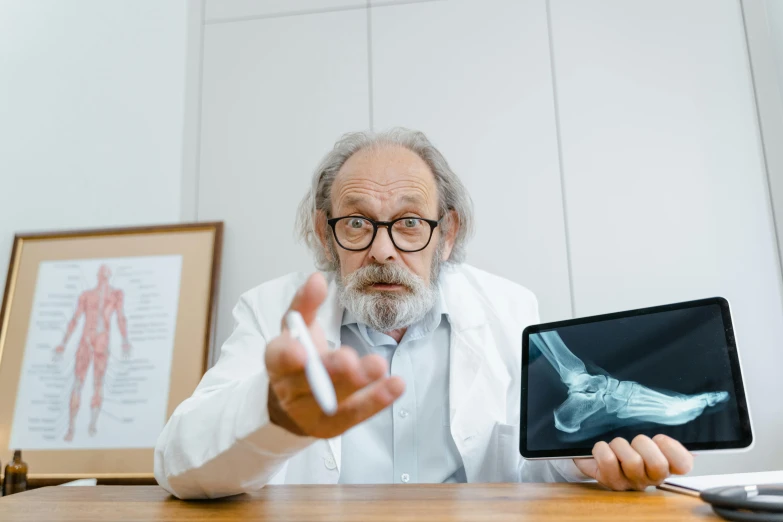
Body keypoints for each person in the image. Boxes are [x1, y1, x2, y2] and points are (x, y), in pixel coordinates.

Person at [154, 128, 694, 499]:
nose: (384, 251)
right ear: (325, 233)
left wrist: (581, 463)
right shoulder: (274, 311)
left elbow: (530, 463)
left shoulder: (509, 309)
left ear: (448, 233)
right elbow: (176, 463)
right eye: (358, 223)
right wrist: (271, 414)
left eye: (410, 222)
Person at [55, 264, 131, 441]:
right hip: (86, 342)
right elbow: (75, 319)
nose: (103, 277)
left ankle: (93, 425)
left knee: (98, 384)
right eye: (101, 274)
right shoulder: (86, 296)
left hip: (102, 344)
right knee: (78, 384)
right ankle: (71, 428)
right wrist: (63, 343)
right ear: (98, 276)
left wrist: (126, 340)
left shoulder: (115, 295)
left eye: (106, 275)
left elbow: (120, 317)